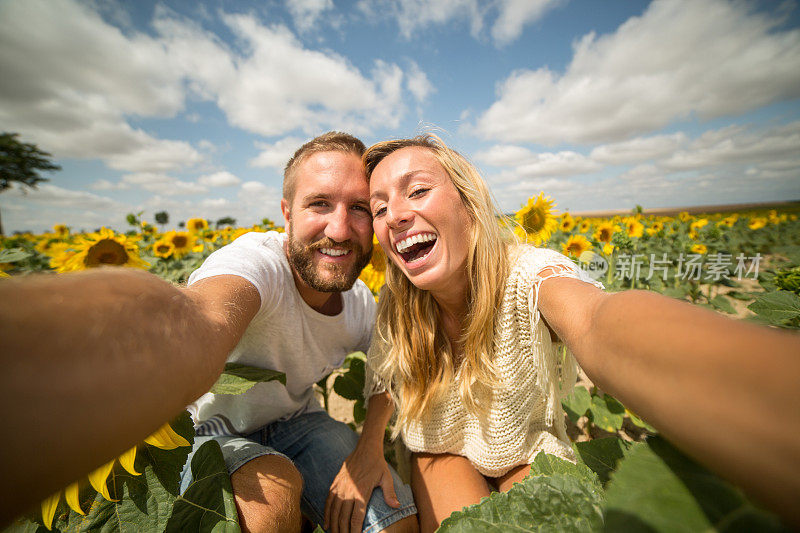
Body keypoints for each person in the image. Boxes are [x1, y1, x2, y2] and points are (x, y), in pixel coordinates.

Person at [324, 135, 800, 532]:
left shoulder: (526, 276)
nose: (396, 216)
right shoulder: (398, 302)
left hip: (522, 448)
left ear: (470, 204)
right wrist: (368, 450)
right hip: (439, 445)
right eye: (380, 207)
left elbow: (596, 322)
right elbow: (386, 378)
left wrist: (768, 395)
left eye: (418, 191)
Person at [0, 132, 418, 533]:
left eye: (360, 208)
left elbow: (389, 362)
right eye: (320, 204)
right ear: (287, 214)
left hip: (296, 421)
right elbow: (202, 317)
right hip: (203, 427)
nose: (340, 229)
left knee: (395, 523)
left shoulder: (362, 301)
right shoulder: (258, 264)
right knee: (270, 499)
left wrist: (369, 448)